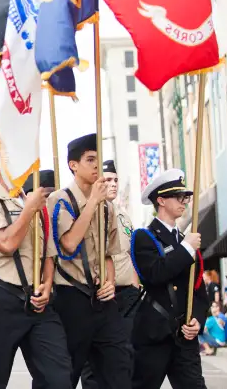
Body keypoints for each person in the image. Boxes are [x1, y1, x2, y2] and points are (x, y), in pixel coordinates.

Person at [0, 163, 72, 389]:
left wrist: (47, 285)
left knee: (58, 378)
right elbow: (7, 243)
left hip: (38, 302)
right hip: (3, 299)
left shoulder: (28, 197)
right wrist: (29, 209)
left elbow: (47, 252)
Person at [46, 134, 130, 389]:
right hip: (71, 296)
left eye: (98, 159)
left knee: (121, 365)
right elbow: (68, 244)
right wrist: (93, 201)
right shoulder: (60, 199)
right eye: (90, 159)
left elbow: (109, 253)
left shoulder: (108, 207)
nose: (96, 165)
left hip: (102, 299)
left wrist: (110, 282)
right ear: (73, 164)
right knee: (67, 373)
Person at [130, 168, 209, 389]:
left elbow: (199, 290)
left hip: (184, 337)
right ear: (161, 200)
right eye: (178, 196)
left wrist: (198, 320)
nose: (183, 201)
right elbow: (155, 274)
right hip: (154, 336)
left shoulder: (186, 240)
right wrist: (185, 249)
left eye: (185, 197)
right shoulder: (144, 237)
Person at [81, 160, 141, 389]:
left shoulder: (123, 215)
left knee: (125, 356)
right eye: (107, 180)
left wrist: (135, 286)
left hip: (128, 293)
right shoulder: (91, 212)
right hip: (105, 293)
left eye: (115, 179)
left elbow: (129, 254)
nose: (113, 184)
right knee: (94, 362)